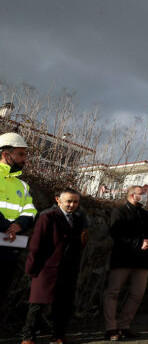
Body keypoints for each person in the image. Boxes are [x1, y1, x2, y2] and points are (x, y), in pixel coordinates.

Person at [21, 187, 86, 344]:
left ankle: (58, 335)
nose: (72, 205)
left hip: (67, 269)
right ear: (58, 200)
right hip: (46, 268)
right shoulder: (47, 218)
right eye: (69, 201)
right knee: (37, 304)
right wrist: (31, 268)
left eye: (75, 202)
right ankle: (28, 338)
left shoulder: (78, 219)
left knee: (63, 305)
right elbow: (36, 245)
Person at [103, 185, 148, 341]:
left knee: (137, 294)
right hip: (122, 258)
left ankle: (124, 326)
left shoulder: (146, 214)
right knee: (113, 292)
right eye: (142, 194)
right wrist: (138, 242)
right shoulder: (118, 212)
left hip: (142, 260)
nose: (145, 196)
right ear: (132, 195)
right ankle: (111, 328)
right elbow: (116, 234)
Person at [0, 132, 37, 300]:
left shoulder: (23, 185)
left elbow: (30, 210)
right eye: (21, 154)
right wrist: (7, 226)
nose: (24, 159)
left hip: (9, 247)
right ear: (5, 155)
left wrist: (20, 225)